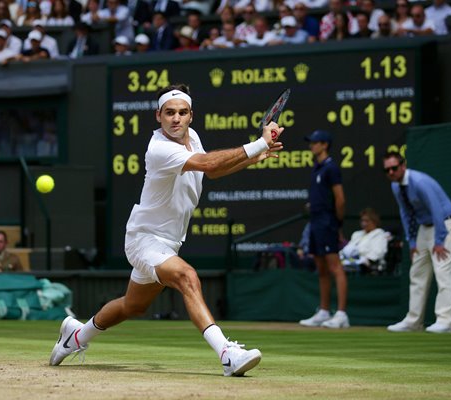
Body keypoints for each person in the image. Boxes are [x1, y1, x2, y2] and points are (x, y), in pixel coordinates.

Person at [49, 84, 284, 376]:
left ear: (190, 116)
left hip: (168, 242)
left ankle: (75, 336)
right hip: (144, 239)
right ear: (158, 116)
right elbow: (208, 162)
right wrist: (259, 144)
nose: (176, 119)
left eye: (182, 113)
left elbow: (211, 171)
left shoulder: (192, 137)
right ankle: (227, 354)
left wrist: (251, 157)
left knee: (132, 306)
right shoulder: (159, 148)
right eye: (169, 113)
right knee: (188, 277)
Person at [383, 152, 451, 334]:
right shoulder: (396, 186)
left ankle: (446, 321)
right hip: (424, 228)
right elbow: (405, 213)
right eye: (387, 170)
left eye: (394, 168)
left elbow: (437, 209)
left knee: (443, 270)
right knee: (417, 272)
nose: (391, 172)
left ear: (403, 165)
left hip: (445, 223)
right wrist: (411, 242)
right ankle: (413, 321)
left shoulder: (419, 182)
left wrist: (440, 240)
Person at [299, 130, 349, 329]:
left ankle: (342, 314)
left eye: (315, 142)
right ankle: (324, 311)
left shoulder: (331, 168)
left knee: (335, 266)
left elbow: (340, 199)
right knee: (321, 268)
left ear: (324, 145)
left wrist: (337, 223)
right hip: (316, 221)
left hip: (327, 221)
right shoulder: (317, 168)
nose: (311, 146)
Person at [340, 208, 388, 273]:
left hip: (368, 265)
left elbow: (378, 254)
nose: (364, 223)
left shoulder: (380, 234)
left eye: (367, 221)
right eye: (362, 221)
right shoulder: (357, 234)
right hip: (350, 261)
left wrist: (359, 254)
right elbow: (348, 250)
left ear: (374, 221)